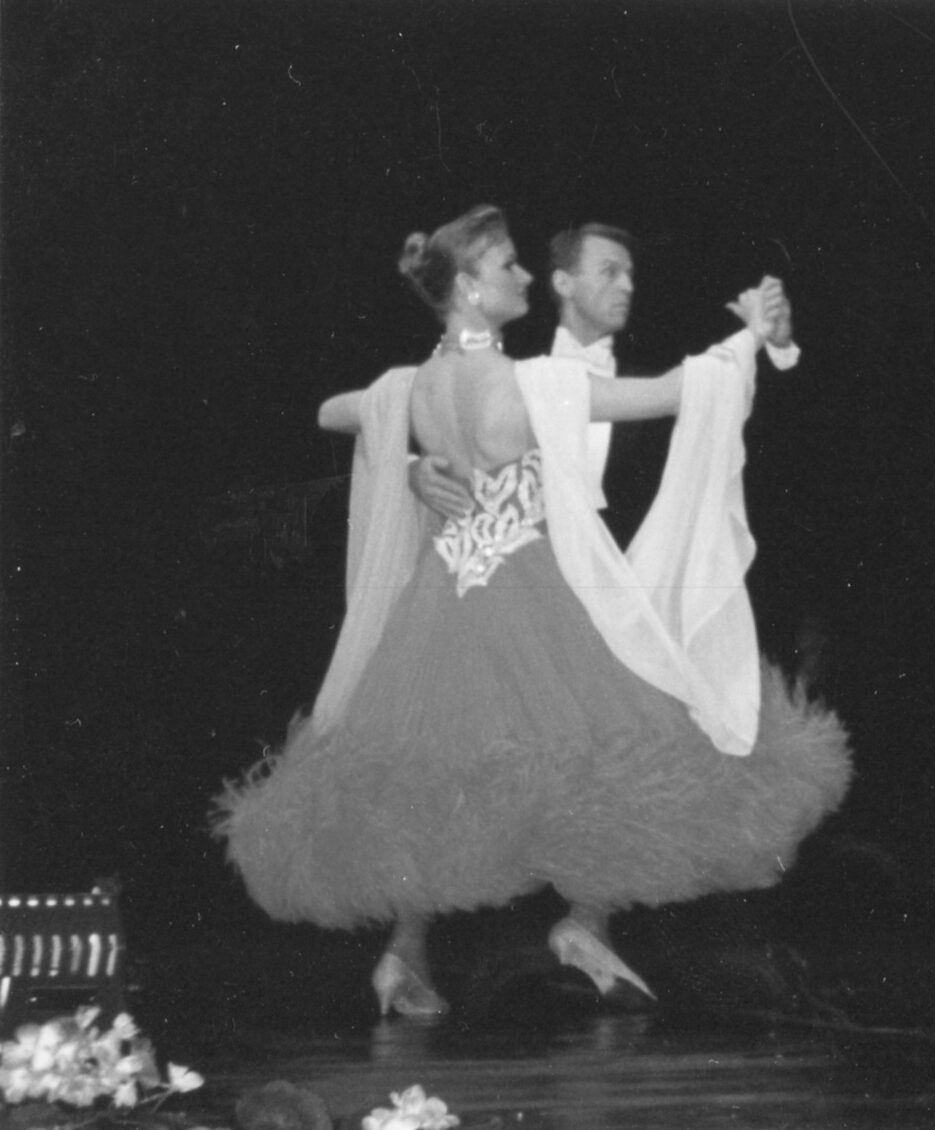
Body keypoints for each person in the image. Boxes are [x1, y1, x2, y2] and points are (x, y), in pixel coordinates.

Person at [215, 205, 852, 1018]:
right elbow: (671, 393)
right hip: (528, 591)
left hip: (441, 601)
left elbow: (334, 411)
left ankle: (409, 952)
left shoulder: (410, 386)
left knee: (436, 772)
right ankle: (579, 922)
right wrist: (749, 339)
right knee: (621, 744)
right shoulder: (531, 384)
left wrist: (406, 452)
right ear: (469, 289)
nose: (522, 276)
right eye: (507, 265)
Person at [408, 221, 799, 521]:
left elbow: (759, 428)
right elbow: (423, 426)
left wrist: (778, 345)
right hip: (524, 579)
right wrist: (414, 471)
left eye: (630, 274)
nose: (627, 286)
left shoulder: (660, 365)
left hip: (630, 581)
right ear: (564, 283)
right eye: (610, 272)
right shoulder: (508, 360)